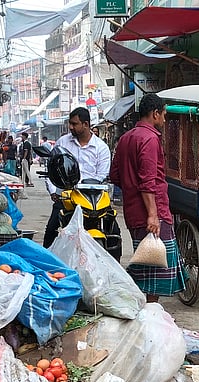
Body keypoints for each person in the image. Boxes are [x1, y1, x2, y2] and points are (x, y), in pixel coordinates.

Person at [108, 93, 184, 302]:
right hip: (152, 211)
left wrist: (131, 188)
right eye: (164, 115)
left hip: (133, 211)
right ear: (155, 113)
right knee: (155, 268)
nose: (165, 120)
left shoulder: (125, 139)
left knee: (144, 263)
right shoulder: (150, 139)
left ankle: (145, 310)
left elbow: (115, 175)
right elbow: (148, 181)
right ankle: (150, 312)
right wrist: (153, 215)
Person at [44, 107, 112, 246]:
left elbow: (102, 175)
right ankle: (46, 262)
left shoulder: (101, 148)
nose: (70, 127)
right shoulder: (62, 143)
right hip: (66, 197)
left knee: (112, 229)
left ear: (86, 124)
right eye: (70, 123)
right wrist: (53, 191)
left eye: (74, 124)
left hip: (92, 199)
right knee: (51, 229)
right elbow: (50, 168)